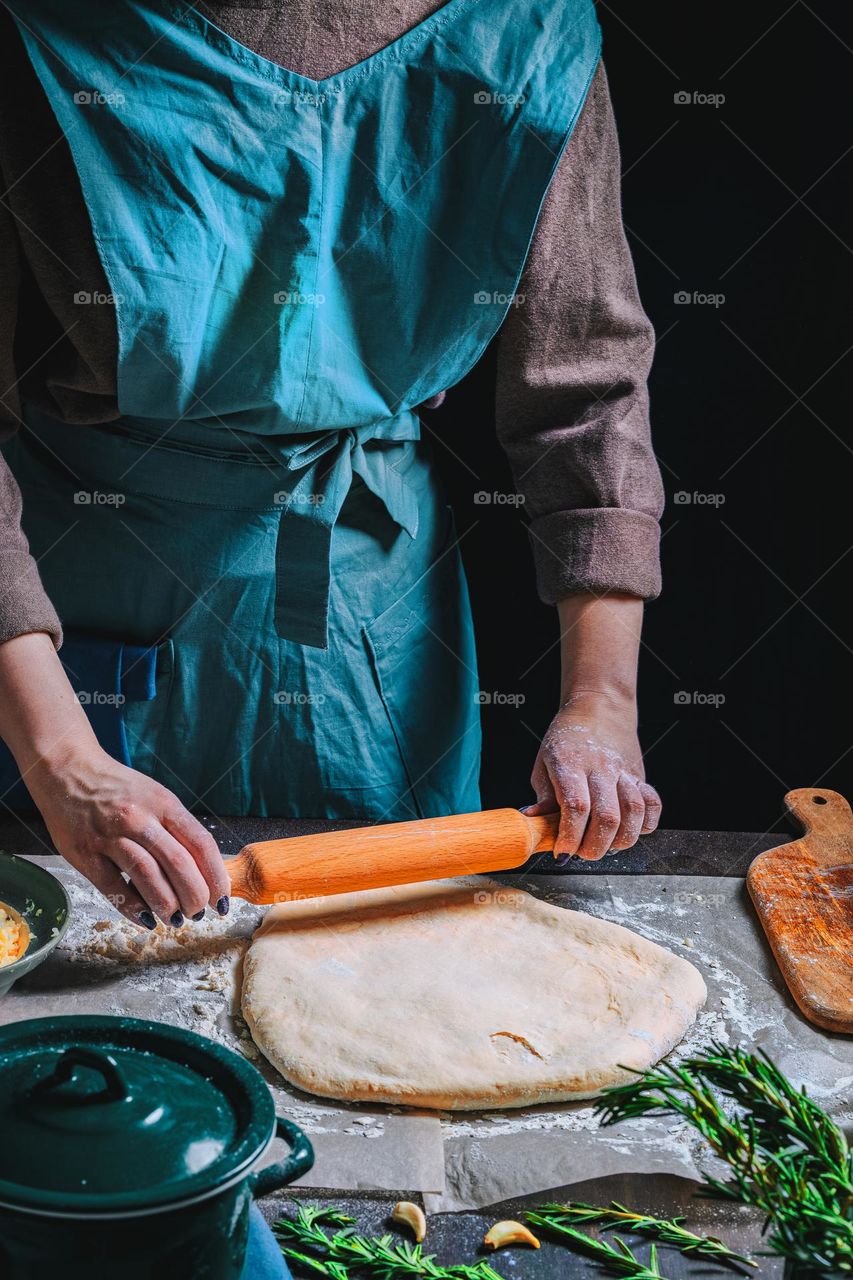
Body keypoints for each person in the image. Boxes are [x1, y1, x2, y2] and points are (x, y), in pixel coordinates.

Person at [0, 0, 665, 937]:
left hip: (371, 612)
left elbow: (585, 395)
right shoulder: (44, 33)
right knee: (88, 974)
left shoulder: (526, 40)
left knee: (396, 975)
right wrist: (60, 756)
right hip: (69, 622)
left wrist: (601, 703)